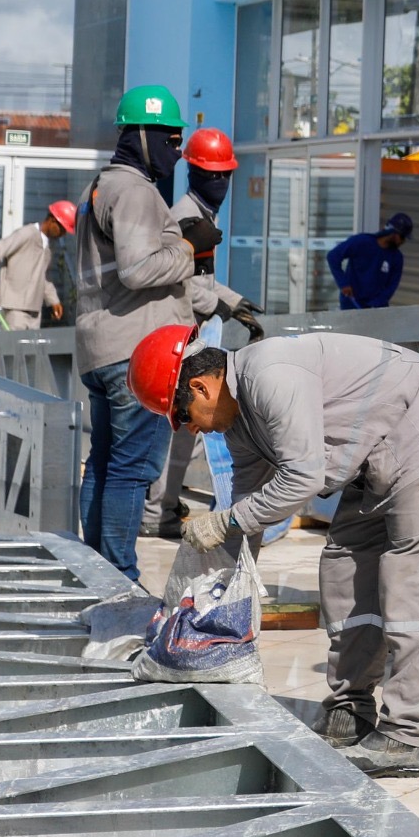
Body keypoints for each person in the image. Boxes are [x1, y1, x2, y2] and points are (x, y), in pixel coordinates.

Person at [153, 328, 419, 778]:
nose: (190, 428)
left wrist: (226, 521)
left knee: (411, 582)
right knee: (345, 565)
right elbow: (250, 510)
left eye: (184, 416)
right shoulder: (239, 424)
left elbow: (301, 479)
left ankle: (406, 735)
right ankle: (351, 706)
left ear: (200, 386)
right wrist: (207, 599)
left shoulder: (270, 376)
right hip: (376, 453)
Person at [72, 84, 232, 580]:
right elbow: (139, 270)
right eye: (168, 138)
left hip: (101, 348)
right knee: (130, 470)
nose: (175, 149)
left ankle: (95, 571)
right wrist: (187, 247)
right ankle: (119, 576)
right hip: (135, 352)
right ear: (140, 136)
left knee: (101, 464)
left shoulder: (98, 186)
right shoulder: (137, 191)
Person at [145, 126, 265, 543]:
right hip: (183, 333)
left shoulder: (203, 215)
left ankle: (165, 503)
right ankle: (157, 510)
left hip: (198, 329)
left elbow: (206, 280)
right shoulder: (184, 218)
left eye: (225, 175)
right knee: (182, 428)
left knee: (188, 435)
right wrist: (224, 305)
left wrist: (237, 300)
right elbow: (182, 281)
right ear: (194, 174)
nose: (220, 183)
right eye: (212, 175)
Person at [0, 201, 74, 330]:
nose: (62, 234)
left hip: (34, 310)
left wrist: (53, 300)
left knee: (30, 349)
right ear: (52, 220)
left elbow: (43, 278)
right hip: (15, 308)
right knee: (12, 347)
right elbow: (0, 249)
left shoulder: (47, 249)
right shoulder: (27, 234)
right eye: (62, 228)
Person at [327, 213, 413, 309]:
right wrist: (343, 284)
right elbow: (333, 257)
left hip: (375, 308)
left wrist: (378, 303)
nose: (403, 241)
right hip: (351, 303)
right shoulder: (361, 242)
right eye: (402, 237)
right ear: (393, 233)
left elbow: (392, 285)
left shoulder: (397, 257)